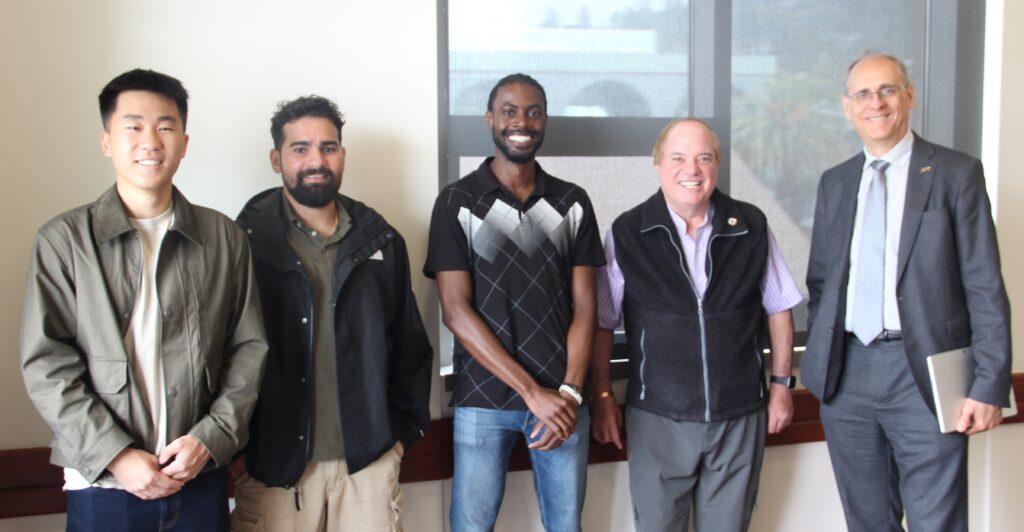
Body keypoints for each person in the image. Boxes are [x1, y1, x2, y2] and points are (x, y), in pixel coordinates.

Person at [19, 68, 268, 531]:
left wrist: (210, 438)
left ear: (185, 142)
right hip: (103, 486)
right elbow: (46, 364)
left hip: (199, 476)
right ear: (106, 141)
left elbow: (249, 349)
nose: (150, 140)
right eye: (133, 126)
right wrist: (114, 454)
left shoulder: (223, 238)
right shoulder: (64, 241)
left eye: (166, 126)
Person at [804, 52, 1012, 531]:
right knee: (868, 521)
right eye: (863, 94)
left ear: (909, 96)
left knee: (934, 522)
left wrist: (988, 384)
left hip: (924, 377)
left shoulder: (956, 174)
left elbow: (984, 285)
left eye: (887, 90)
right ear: (846, 107)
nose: (875, 103)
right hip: (847, 375)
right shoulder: (834, 183)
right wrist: (821, 355)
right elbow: (822, 283)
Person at [590, 118, 802, 532]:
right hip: (658, 418)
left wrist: (782, 386)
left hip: (739, 416)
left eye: (704, 158)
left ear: (717, 165)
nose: (692, 170)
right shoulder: (627, 232)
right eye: (679, 158)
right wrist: (600, 395)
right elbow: (602, 323)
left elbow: (780, 308)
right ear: (658, 165)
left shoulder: (752, 225)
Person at [232, 95, 433, 531]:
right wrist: (236, 450)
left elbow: (410, 347)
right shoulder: (242, 241)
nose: (316, 160)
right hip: (275, 469)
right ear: (276, 158)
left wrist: (396, 438)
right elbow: (222, 351)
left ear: (342, 155)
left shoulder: (380, 240)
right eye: (300, 148)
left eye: (328, 147)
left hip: (366, 465)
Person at [424, 73, 604, 532]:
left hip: (563, 398)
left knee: (566, 526)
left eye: (533, 112)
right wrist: (530, 393)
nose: (521, 121)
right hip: (483, 399)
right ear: (490, 120)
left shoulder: (573, 203)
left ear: (545, 121)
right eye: (509, 111)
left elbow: (587, 307)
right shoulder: (457, 203)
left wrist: (567, 392)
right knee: (471, 526)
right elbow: (455, 311)